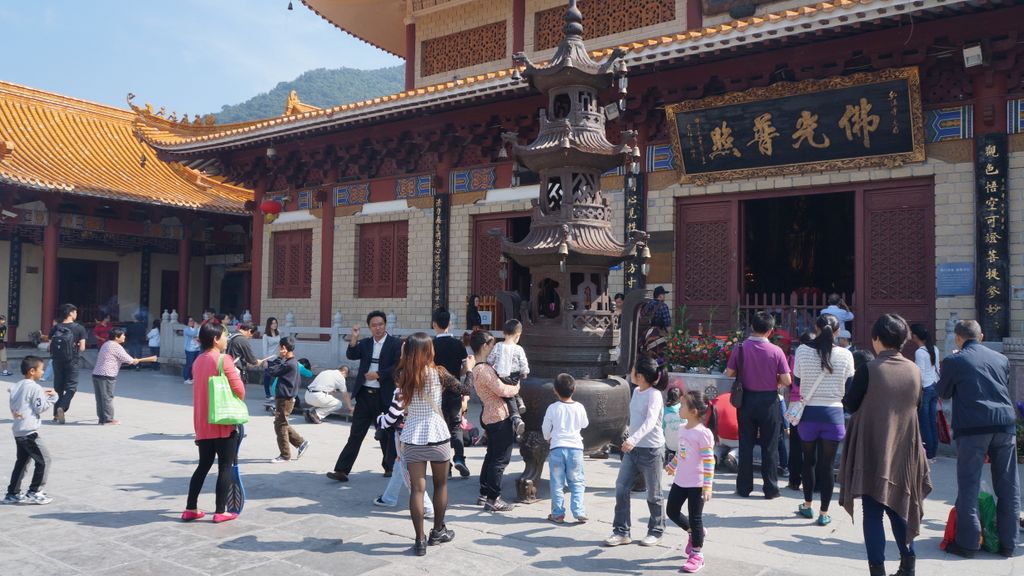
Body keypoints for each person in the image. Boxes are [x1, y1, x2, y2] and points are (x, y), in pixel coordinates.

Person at [840, 313, 932, 575]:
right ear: (904, 340)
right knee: (898, 506)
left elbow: (851, 403)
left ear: (877, 339)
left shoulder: (869, 370)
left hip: (873, 448)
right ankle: (908, 564)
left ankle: (877, 570)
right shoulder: (914, 370)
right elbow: (917, 405)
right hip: (903, 449)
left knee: (872, 513)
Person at [935, 319, 1020, 559]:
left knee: (969, 484)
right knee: (1008, 485)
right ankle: (1008, 544)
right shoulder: (1001, 358)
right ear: (981, 336)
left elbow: (943, 392)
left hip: (973, 427)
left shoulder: (955, 360)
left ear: (958, 338)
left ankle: (968, 544)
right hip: (1004, 424)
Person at [376, 333, 465, 556]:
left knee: (417, 489)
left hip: (412, 435)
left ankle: (419, 540)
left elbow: (397, 403)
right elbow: (465, 389)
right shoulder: (440, 373)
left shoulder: (402, 374)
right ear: (429, 350)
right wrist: (471, 369)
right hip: (437, 434)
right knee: (441, 486)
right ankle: (438, 530)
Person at [791, 314, 854, 526]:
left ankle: (807, 506)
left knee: (808, 461)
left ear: (815, 327)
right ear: (837, 331)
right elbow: (849, 385)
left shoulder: (802, 351)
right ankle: (824, 513)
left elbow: (797, 380)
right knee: (827, 467)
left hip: (808, 414)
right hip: (834, 415)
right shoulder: (846, 355)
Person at [725, 311, 791, 499]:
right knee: (769, 446)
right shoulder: (776, 351)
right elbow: (786, 380)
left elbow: (729, 373)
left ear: (752, 327)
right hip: (769, 401)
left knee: (745, 444)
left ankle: (744, 487)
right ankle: (771, 489)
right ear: (770, 330)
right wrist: (774, 379)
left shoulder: (740, 348)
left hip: (746, 400)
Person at [183, 321, 244, 523]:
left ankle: (190, 508)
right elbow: (240, 391)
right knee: (225, 466)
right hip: (222, 422)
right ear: (216, 339)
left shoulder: (198, 361)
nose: (227, 339)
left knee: (203, 465)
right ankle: (220, 511)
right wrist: (237, 374)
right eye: (224, 336)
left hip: (202, 422)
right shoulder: (223, 360)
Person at [328, 311, 401, 482]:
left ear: (385, 325)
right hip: (364, 396)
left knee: (387, 432)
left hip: (384, 395)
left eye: (380, 324)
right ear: (369, 327)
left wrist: (379, 375)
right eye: (374, 325)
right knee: (356, 434)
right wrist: (354, 337)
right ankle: (342, 470)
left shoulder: (395, 343)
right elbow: (351, 355)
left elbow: (397, 366)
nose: (378, 328)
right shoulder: (366, 343)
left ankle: (390, 467)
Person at [606, 357, 666, 547]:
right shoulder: (637, 392)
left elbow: (650, 422)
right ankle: (622, 531)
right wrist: (628, 436)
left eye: (632, 370)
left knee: (653, 494)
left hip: (652, 450)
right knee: (621, 488)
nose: (630, 372)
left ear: (639, 375)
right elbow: (636, 420)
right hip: (633, 450)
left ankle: (656, 530)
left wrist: (632, 439)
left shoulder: (654, 395)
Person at [666, 390, 715, 574]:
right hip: (680, 481)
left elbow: (709, 461)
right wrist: (673, 464)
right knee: (671, 511)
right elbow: (682, 452)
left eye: (683, 405)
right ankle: (695, 533)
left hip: (697, 484)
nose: (679, 407)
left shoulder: (703, 434)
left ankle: (697, 555)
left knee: (695, 519)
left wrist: (708, 485)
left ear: (693, 411)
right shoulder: (682, 429)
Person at [469, 330, 518, 511]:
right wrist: (517, 385)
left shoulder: (475, 367)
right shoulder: (484, 369)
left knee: (491, 456)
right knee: (500, 459)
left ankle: (484, 492)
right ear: (484, 346)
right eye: (491, 345)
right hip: (498, 414)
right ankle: (493, 498)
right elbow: (503, 390)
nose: (493, 348)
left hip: (489, 414)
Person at [3, 356, 57, 505]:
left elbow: (26, 400)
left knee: (22, 462)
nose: (43, 371)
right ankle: (35, 491)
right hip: (29, 432)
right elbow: (40, 407)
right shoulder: (34, 387)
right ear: (32, 371)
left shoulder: (18, 385)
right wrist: (53, 398)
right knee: (44, 460)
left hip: (18, 430)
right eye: (41, 369)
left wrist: (41, 396)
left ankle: (12, 493)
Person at [542, 373, 589, 524]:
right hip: (575, 448)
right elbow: (584, 424)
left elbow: (545, 427)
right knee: (577, 481)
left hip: (557, 448)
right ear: (574, 389)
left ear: (555, 390)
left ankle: (558, 513)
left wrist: (547, 437)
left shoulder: (552, 408)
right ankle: (578, 510)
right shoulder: (579, 407)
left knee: (557, 482)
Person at [431, 308, 471, 477]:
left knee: (441, 429)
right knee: (455, 427)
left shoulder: (431, 345)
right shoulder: (458, 344)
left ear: (434, 324)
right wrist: (457, 374)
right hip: (455, 390)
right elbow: (464, 368)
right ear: (450, 324)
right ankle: (460, 459)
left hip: (436, 392)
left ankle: (445, 466)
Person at [91, 327, 157, 425]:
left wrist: (134, 360)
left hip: (97, 374)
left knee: (100, 398)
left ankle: (102, 419)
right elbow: (129, 360)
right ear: (117, 337)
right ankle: (108, 420)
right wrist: (135, 360)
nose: (124, 337)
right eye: (123, 335)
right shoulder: (116, 346)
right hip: (107, 375)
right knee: (107, 397)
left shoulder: (106, 344)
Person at [265, 336, 309, 463]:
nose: (279, 350)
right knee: (281, 424)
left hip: (285, 399)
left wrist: (278, 359)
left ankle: (285, 455)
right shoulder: (292, 362)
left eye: (280, 347)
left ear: (283, 348)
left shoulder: (289, 364)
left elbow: (273, 371)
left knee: (280, 426)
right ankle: (301, 443)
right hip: (286, 398)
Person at [487, 319, 530, 437]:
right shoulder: (519, 348)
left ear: (503, 333)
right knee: (513, 390)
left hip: (501, 377)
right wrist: (525, 372)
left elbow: (490, 360)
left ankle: (516, 417)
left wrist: (489, 366)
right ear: (518, 335)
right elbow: (524, 362)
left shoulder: (498, 345)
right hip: (515, 376)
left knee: (508, 395)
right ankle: (519, 403)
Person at [49, 303, 88, 424]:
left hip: (57, 361)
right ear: (71, 313)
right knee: (71, 387)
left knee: (58, 387)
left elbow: (50, 345)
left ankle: (56, 415)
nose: (76, 314)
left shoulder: (56, 327)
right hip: (72, 361)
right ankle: (63, 407)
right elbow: (82, 348)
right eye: (75, 312)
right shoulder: (79, 328)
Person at [909, 324, 940, 461]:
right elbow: (937, 368)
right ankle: (933, 451)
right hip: (934, 386)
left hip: (925, 388)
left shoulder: (920, 352)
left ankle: (928, 453)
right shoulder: (934, 349)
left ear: (915, 335)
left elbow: (919, 374)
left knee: (924, 421)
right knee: (932, 420)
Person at [262, 317, 282, 401]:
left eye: (275, 323)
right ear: (269, 325)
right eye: (273, 323)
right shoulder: (265, 335)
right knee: (267, 377)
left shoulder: (279, 333)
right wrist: (265, 361)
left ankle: (277, 393)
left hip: (277, 358)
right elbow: (264, 348)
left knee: (278, 377)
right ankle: (268, 394)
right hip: (269, 359)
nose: (274, 325)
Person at [663, 387, 683, 462]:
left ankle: (671, 453)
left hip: (669, 444)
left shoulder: (664, 410)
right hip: (683, 446)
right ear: (681, 398)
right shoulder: (684, 410)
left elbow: (662, 428)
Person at [182, 316, 200, 385]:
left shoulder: (196, 329)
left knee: (195, 365)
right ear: (187, 322)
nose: (192, 322)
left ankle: (192, 378)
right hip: (189, 349)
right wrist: (196, 328)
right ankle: (186, 378)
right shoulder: (186, 329)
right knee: (189, 364)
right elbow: (193, 334)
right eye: (190, 321)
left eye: (192, 320)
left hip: (197, 349)